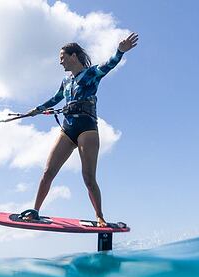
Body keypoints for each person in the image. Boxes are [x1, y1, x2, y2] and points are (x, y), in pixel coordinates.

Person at [20, 33, 139, 227]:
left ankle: (100, 216)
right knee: (48, 172)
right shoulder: (66, 81)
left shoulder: (92, 73)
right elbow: (55, 98)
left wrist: (120, 51)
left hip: (87, 129)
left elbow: (109, 64)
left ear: (73, 56)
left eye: (62, 58)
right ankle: (35, 211)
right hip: (68, 129)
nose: (60, 63)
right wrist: (37, 110)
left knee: (88, 177)